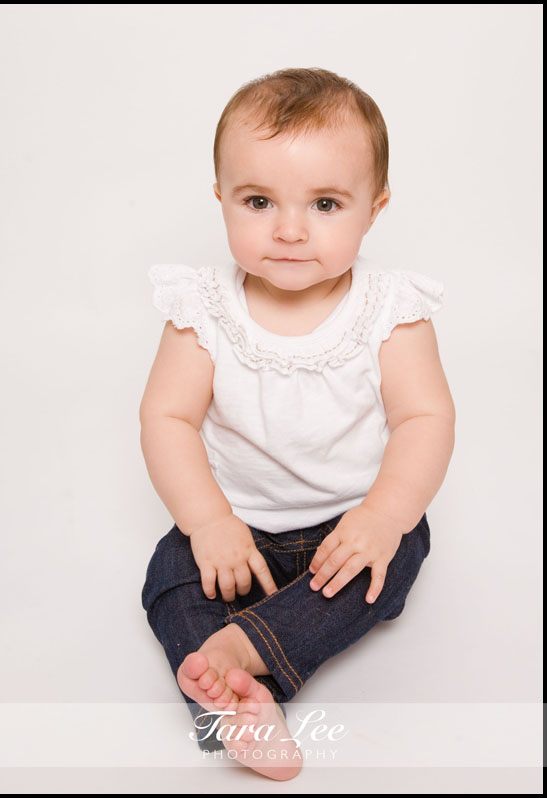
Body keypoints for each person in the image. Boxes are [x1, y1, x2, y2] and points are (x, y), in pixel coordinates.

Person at [139, 67, 456, 781]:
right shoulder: (203, 308)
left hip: (346, 523)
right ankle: (239, 704)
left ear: (373, 209)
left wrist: (383, 516)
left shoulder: (389, 310)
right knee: (170, 577)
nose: (288, 230)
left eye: (324, 204)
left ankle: (241, 657)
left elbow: (425, 417)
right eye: (258, 201)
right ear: (221, 198)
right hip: (234, 527)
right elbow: (166, 416)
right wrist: (207, 521)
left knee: (388, 562)